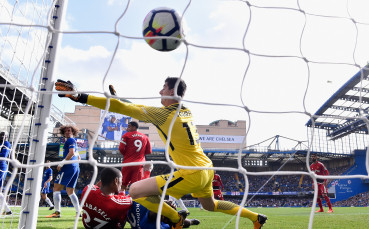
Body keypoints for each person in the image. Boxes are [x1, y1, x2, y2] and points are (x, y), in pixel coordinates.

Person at [55, 77, 267, 229]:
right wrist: (120, 99)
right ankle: (255, 217)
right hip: (207, 169)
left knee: (135, 191)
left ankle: (176, 219)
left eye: (163, 89)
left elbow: (128, 110)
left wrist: (79, 96)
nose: (159, 92)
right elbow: (136, 108)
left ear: (172, 92)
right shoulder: (186, 111)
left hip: (190, 172)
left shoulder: (163, 115)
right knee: (210, 206)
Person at [46, 125, 81, 218]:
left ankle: (57, 212)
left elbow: (72, 152)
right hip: (76, 167)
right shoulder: (74, 141)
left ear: (73, 132)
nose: (67, 132)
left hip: (68, 166)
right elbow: (78, 155)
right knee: (70, 191)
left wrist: (62, 163)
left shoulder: (70, 140)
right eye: (65, 131)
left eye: (69, 130)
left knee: (56, 188)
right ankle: (78, 212)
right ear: (63, 133)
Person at [119, 121, 152, 191]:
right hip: (139, 164)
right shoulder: (145, 137)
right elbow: (149, 151)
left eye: (129, 126)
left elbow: (121, 148)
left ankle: (122, 198)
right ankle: (134, 201)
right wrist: (140, 154)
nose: (127, 128)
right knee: (136, 185)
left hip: (127, 163)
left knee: (123, 184)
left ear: (134, 127)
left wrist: (127, 154)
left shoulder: (126, 135)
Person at [0, 131, 12, 215]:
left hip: (1, 166)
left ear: (7, 137)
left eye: (3, 135)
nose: (2, 136)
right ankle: (7, 210)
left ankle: (7, 210)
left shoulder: (6, 144)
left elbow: (3, 156)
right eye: (1, 135)